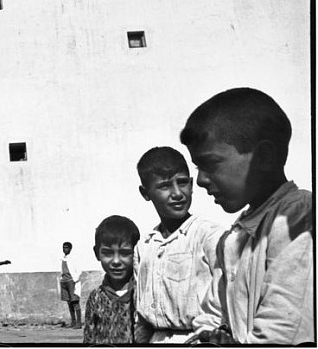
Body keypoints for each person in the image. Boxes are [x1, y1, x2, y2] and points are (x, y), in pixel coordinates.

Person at [181, 87, 313, 344]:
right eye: (198, 167)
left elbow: (283, 330)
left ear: (263, 157)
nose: (200, 179)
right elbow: (213, 314)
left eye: (210, 163)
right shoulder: (234, 237)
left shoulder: (297, 216)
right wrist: (207, 337)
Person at [133, 146, 224, 343]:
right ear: (145, 193)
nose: (177, 193)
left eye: (182, 183)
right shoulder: (145, 246)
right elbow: (141, 316)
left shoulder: (209, 236)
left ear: (192, 184)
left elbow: (226, 303)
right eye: (165, 186)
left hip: (200, 340)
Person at [83, 215, 141, 344]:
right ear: (97, 253)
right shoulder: (96, 298)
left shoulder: (142, 295)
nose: (116, 261)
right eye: (108, 253)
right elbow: (89, 339)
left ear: (137, 253)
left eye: (125, 253)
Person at [58, 241, 82, 328]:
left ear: (70, 249)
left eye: (67, 247)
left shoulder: (74, 258)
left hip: (71, 281)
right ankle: (73, 322)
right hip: (64, 281)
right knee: (69, 302)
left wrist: (74, 280)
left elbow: (79, 270)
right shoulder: (63, 259)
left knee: (75, 301)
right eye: (64, 247)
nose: (65, 249)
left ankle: (79, 323)